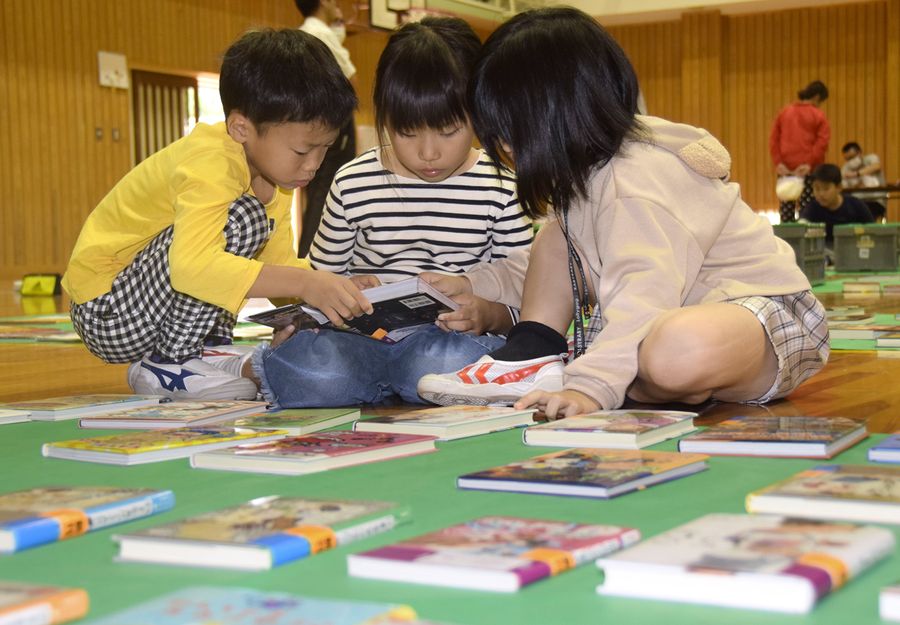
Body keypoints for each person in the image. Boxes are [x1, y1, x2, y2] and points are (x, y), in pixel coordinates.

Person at [415, 7, 829, 419]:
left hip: (762, 320)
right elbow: (552, 268)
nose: (504, 149)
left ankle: (633, 380)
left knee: (675, 351)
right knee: (557, 238)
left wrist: (591, 388)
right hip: (662, 317)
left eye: (510, 133)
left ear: (557, 116)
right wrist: (472, 284)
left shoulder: (633, 180)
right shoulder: (584, 178)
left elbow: (643, 289)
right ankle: (535, 355)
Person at [62, 29, 372, 401]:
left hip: (146, 305)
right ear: (241, 128)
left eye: (325, 149)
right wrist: (306, 283)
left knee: (247, 235)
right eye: (302, 151)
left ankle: (204, 354)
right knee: (242, 220)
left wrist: (334, 287)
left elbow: (279, 266)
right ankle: (170, 362)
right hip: (106, 310)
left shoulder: (275, 179)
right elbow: (192, 267)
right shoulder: (212, 161)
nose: (314, 165)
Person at [243, 17, 533, 408]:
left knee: (440, 363)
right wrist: (342, 292)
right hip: (359, 341)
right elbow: (321, 280)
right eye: (407, 133)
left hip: (449, 340)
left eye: (448, 131)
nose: (428, 153)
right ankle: (393, 383)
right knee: (316, 372)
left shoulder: (501, 186)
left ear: (479, 113)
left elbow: (526, 293)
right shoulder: (353, 181)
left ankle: (391, 384)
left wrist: (488, 314)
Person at [295, 0, 358, 258]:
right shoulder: (320, 33)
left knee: (317, 193)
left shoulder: (305, 33)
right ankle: (312, 262)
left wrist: (338, 27)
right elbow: (351, 80)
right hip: (332, 122)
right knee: (328, 192)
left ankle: (307, 259)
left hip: (310, 122)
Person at [769, 80, 830, 223]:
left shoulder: (785, 112)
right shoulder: (818, 115)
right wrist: (809, 164)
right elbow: (822, 143)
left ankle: (786, 237)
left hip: (785, 170)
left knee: (786, 212)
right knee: (808, 212)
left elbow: (773, 139)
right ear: (817, 97)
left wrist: (779, 163)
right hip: (808, 170)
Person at [800, 163, 875, 253]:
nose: (821, 194)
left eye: (826, 189)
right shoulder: (812, 208)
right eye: (817, 189)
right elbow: (801, 227)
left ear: (839, 187)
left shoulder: (856, 205)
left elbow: (873, 231)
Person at [841, 141, 887, 221]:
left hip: (875, 200)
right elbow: (843, 186)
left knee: (866, 216)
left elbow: (877, 166)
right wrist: (856, 185)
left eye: (852, 157)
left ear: (859, 153)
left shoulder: (871, 158)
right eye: (847, 159)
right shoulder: (845, 168)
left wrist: (857, 174)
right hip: (856, 202)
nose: (850, 161)